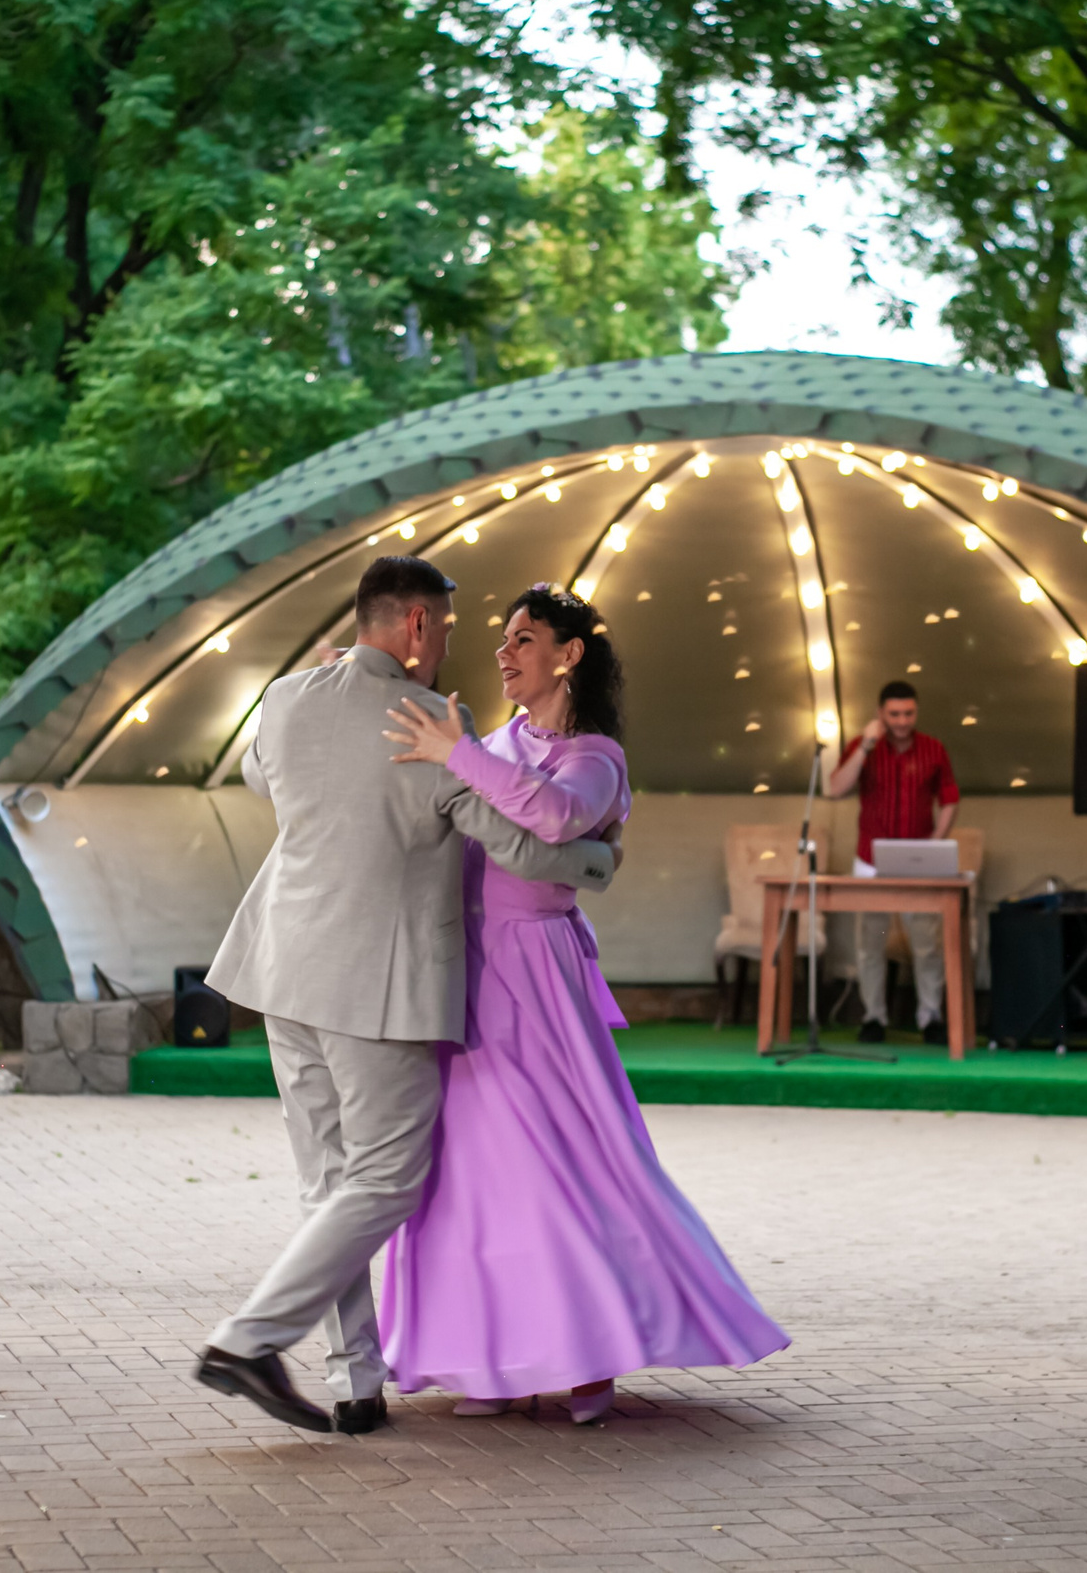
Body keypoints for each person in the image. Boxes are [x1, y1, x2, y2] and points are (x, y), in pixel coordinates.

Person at [193, 556, 622, 1437]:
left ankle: (357, 1384)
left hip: (278, 970)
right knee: (386, 1178)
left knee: (329, 1182)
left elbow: (258, 779)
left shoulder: (283, 699)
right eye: (455, 630)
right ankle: (249, 1338)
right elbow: (522, 849)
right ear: (417, 628)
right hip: (374, 986)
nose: (461, 649)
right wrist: (599, 862)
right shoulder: (431, 723)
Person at [375, 583, 788, 1423]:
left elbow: (557, 818)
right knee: (475, 1171)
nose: (503, 651)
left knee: (565, 1159)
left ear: (569, 654)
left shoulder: (594, 755)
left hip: (539, 974)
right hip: (468, 969)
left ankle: (592, 1354)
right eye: (501, 637)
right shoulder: (490, 740)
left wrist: (459, 755)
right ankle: (497, 1358)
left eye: (524, 638)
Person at [823, 678, 961, 1045]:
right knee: (873, 940)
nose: (902, 721)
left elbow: (949, 798)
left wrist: (937, 840)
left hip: (918, 858)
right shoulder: (863, 746)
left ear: (916, 711)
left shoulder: (933, 749)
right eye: (895, 714)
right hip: (871, 860)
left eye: (909, 713)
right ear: (880, 714)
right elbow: (835, 789)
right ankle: (874, 1017)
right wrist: (866, 745)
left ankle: (930, 1016)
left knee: (926, 942)